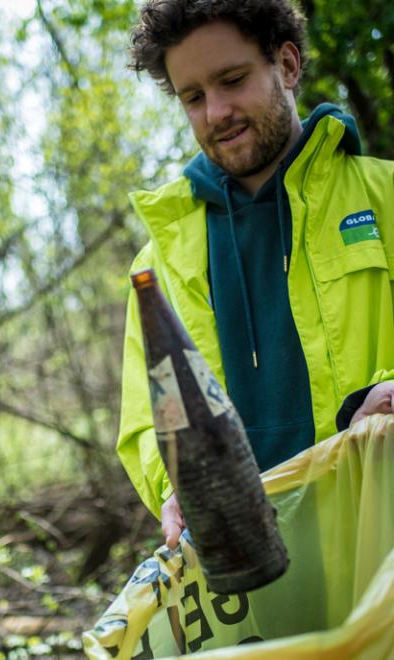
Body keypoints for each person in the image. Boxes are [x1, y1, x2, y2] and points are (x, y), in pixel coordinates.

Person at [118, 0, 394, 548]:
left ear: (287, 67)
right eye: (193, 97)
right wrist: (176, 483)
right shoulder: (158, 260)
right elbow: (148, 424)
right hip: (250, 578)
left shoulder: (385, 198)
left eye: (232, 80)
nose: (216, 111)